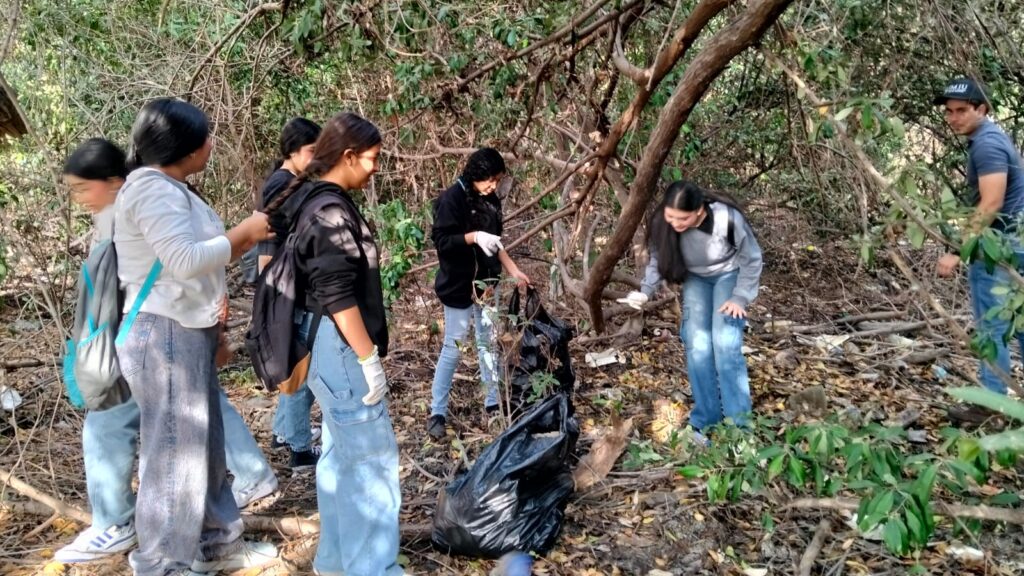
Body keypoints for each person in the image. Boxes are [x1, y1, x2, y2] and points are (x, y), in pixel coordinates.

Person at [55, 138, 278, 564]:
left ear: (114, 181)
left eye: (85, 187)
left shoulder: (142, 203)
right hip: (160, 339)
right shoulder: (153, 200)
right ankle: (204, 536)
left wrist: (215, 325)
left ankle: (144, 544)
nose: (81, 198)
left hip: (156, 339)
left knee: (166, 445)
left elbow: (186, 265)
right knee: (187, 436)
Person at [114, 99, 278, 575]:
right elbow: (185, 259)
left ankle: (214, 544)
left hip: (186, 329)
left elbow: (186, 264)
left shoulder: (172, 187)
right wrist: (242, 234)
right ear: (183, 149)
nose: (211, 144)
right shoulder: (151, 190)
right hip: (163, 333)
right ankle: (162, 561)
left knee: (201, 444)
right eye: (205, 138)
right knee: (173, 452)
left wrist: (216, 316)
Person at [267, 111, 402, 575]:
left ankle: (337, 561)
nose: (375, 168)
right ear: (348, 156)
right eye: (372, 159)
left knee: (340, 455)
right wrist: (368, 357)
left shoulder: (314, 200)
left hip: (326, 346)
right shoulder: (329, 210)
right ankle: (374, 568)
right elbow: (337, 293)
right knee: (372, 460)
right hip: (340, 347)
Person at [619, 180, 763, 442]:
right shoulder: (663, 223)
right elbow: (657, 259)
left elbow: (752, 258)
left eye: (682, 218)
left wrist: (740, 298)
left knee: (725, 344)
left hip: (728, 275)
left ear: (699, 211)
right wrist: (645, 290)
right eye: (670, 216)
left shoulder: (726, 219)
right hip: (696, 279)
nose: (674, 223)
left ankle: (740, 431)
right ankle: (705, 422)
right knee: (697, 345)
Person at [934, 76, 1024, 423]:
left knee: (992, 328)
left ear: (982, 109)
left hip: (998, 248)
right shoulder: (992, 138)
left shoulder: (986, 145)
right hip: (1014, 242)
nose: (953, 118)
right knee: (1018, 324)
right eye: (949, 112)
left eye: (961, 111)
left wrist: (958, 251)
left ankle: (989, 407)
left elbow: (991, 204)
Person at [427, 148, 529, 440]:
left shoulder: (491, 200)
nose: (493, 186)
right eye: (490, 180)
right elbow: (443, 241)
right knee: (453, 347)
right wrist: (472, 237)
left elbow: (496, 242)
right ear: (476, 174)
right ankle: (437, 412)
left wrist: (513, 270)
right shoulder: (451, 199)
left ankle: (493, 404)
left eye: (497, 181)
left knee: (488, 344)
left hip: (487, 283)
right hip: (458, 285)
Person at [257, 118, 324, 470]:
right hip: (290, 292)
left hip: (289, 288)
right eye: (311, 151)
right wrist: (272, 301)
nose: (315, 158)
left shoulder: (290, 182)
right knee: (303, 368)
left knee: (296, 364)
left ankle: (284, 431)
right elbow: (268, 245)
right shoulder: (281, 186)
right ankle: (299, 449)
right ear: (292, 151)